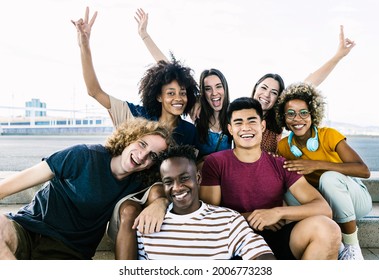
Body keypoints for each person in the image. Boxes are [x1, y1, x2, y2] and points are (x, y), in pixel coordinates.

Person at [72, 7, 200, 259]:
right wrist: (84, 45)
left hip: (165, 194)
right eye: (171, 93)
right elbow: (94, 91)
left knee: (157, 193)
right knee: (130, 212)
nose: (178, 98)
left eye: (183, 92)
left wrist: (145, 35)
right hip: (127, 194)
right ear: (158, 96)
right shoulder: (134, 116)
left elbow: (171, 70)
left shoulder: (189, 132)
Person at [0, 117, 172, 260]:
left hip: (69, 252)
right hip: (27, 229)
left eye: (153, 156)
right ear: (130, 138)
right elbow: (10, 185)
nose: (143, 156)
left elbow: (160, 190)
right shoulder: (83, 155)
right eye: (142, 144)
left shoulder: (138, 182)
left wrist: (161, 202)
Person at [199, 97, 341, 260]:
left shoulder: (280, 164)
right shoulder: (215, 162)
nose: (245, 127)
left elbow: (324, 209)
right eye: (238, 122)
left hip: (276, 238)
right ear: (230, 129)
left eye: (252, 121)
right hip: (235, 242)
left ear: (262, 126)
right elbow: (209, 216)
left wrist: (278, 213)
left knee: (328, 229)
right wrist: (256, 217)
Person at [276, 82, 372, 260]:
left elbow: (364, 170)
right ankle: (327, 239)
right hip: (324, 205)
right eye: (291, 113)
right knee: (289, 186)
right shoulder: (283, 146)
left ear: (313, 115)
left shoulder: (329, 135)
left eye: (304, 113)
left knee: (329, 178)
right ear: (284, 118)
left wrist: (317, 165)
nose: (297, 118)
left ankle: (352, 247)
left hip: (353, 200)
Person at [137, 144, 275, 260]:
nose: (177, 187)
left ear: (198, 178)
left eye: (184, 178)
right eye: (168, 182)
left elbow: (262, 256)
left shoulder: (229, 220)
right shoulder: (147, 223)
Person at [135, 8, 232, 162]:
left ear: (225, 89)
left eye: (219, 86)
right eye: (208, 88)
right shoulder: (197, 114)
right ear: (203, 93)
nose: (214, 93)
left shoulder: (232, 116)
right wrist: (144, 35)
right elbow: (170, 70)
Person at [251, 25, 356, 153]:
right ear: (256, 87)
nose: (266, 94)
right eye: (264, 88)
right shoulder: (238, 111)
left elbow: (308, 83)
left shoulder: (276, 118)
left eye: (274, 92)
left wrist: (338, 56)